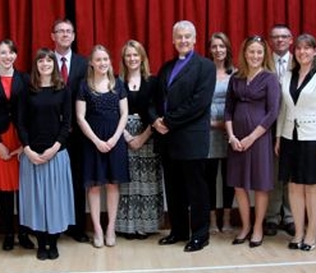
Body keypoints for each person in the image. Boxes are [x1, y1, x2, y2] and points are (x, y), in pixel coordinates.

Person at [149, 20, 216, 252]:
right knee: (174, 188)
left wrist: (168, 121)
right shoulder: (166, 67)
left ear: (195, 39)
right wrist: (155, 119)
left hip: (191, 138)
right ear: (173, 40)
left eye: (188, 36)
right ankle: (178, 231)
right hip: (168, 140)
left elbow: (198, 103)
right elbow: (156, 99)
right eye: (179, 37)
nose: (183, 40)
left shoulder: (205, 66)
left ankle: (200, 234)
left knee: (196, 189)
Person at [276, 34, 316, 251]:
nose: (302, 52)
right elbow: (284, 109)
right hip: (289, 137)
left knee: (311, 187)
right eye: (299, 48)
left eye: (307, 48)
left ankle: (311, 233)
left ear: (315, 51)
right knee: (293, 187)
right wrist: (278, 137)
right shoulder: (287, 75)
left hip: (313, 139)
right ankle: (298, 232)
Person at [17, 48, 74, 260]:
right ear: (36, 65)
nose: (45, 64)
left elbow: (67, 123)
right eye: (41, 60)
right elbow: (20, 123)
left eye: (49, 61)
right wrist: (27, 149)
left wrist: (55, 147)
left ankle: (53, 241)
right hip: (32, 155)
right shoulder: (27, 91)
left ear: (54, 65)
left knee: (56, 200)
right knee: (37, 201)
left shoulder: (63, 90)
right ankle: (41, 242)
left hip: (56, 154)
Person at [0, 39, 35, 251]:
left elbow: (31, 111)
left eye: (11, 52)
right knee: (6, 190)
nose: (7, 56)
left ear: (16, 56)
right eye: (3, 52)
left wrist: (25, 144)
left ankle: (24, 232)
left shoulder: (25, 78)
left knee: (23, 188)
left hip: (21, 139)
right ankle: (9, 234)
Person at [225, 35, 280, 248]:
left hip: (259, 138)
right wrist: (231, 136)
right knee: (239, 185)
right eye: (251, 52)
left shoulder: (269, 78)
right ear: (244, 54)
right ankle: (246, 226)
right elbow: (228, 109)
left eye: (259, 52)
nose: (255, 56)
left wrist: (251, 137)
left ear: (264, 54)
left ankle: (258, 227)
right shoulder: (236, 78)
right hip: (236, 139)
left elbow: (273, 112)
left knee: (260, 185)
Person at [76, 45, 129, 248]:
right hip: (92, 141)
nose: (102, 63)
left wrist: (116, 138)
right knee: (95, 186)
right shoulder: (84, 86)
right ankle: (97, 229)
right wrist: (97, 141)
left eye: (105, 59)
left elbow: (124, 113)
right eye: (98, 60)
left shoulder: (118, 84)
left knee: (113, 185)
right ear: (91, 63)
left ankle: (110, 228)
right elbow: (80, 117)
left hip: (115, 140)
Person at [116, 40, 164, 239]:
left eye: (135, 55)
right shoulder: (116, 82)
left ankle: (146, 224)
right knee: (126, 182)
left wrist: (142, 137)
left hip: (148, 135)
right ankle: (127, 226)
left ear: (142, 57)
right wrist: (128, 137)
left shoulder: (153, 82)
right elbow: (113, 112)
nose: (132, 59)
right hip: (122, 135)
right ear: (123, 59)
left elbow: (157, 112)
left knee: (147, 182)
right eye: (128, 55)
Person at [52, 18, 90, 243]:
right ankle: (53, 226)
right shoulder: (44, 61)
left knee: (77, 179)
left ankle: (77, 227)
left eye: (69, 31)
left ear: (74, 36)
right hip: (50, 133)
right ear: (53, 36)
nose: (65, 35)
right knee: (53, 181)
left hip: (78, 132)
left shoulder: (84, 64)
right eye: (60, 31)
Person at [265, 23, 295, 237]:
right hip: (269, 124)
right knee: (274, 172)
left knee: (292, 173)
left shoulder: (301, 60)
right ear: (270, 41)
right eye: (275, 37)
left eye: (284, 36)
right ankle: (272, 217)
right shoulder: (263, 61)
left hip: (295, 125)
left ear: (291, 39)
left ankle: (291, 216)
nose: (280, 40)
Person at [205, 32, 236, 234]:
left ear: (227, 49)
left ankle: (226, 217)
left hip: (229, 129)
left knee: (228, 177)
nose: (218, 50)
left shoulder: (236, 73)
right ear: (210, 50)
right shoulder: (204, 72)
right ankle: (211, 219)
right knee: (208, 178)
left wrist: (227, 124)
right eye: (215, 46)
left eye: (222, 46)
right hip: (207, 130)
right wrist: (210, 122)